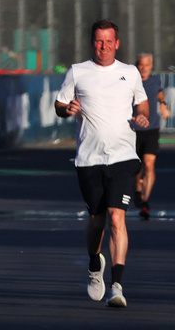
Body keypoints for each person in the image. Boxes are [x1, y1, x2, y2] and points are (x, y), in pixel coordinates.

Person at [54, 20, 150, 309]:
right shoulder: (77, 71)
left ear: (117, 43)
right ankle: (95, 264)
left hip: (123, 157)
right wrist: (67, 108)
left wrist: (142, 115)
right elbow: (60, 104)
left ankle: (117, 286)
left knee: (117, 217)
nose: (104, 47)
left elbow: (142, 103)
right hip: (89, 160)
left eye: (109, 41)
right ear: (92, 42)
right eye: (99, 41)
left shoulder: (129, 72)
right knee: (97, 221)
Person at [132, 53, 170, 220]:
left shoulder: (155, 81)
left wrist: (163, 104)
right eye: (141, 65)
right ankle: (137, 190)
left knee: (149, 164)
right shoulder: (131, 81)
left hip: (152, 129)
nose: (144, 68)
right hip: (133, 130)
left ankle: (145, 202)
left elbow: (159, 93)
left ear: (151, 66)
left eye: (147, 65)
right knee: (137, 167)